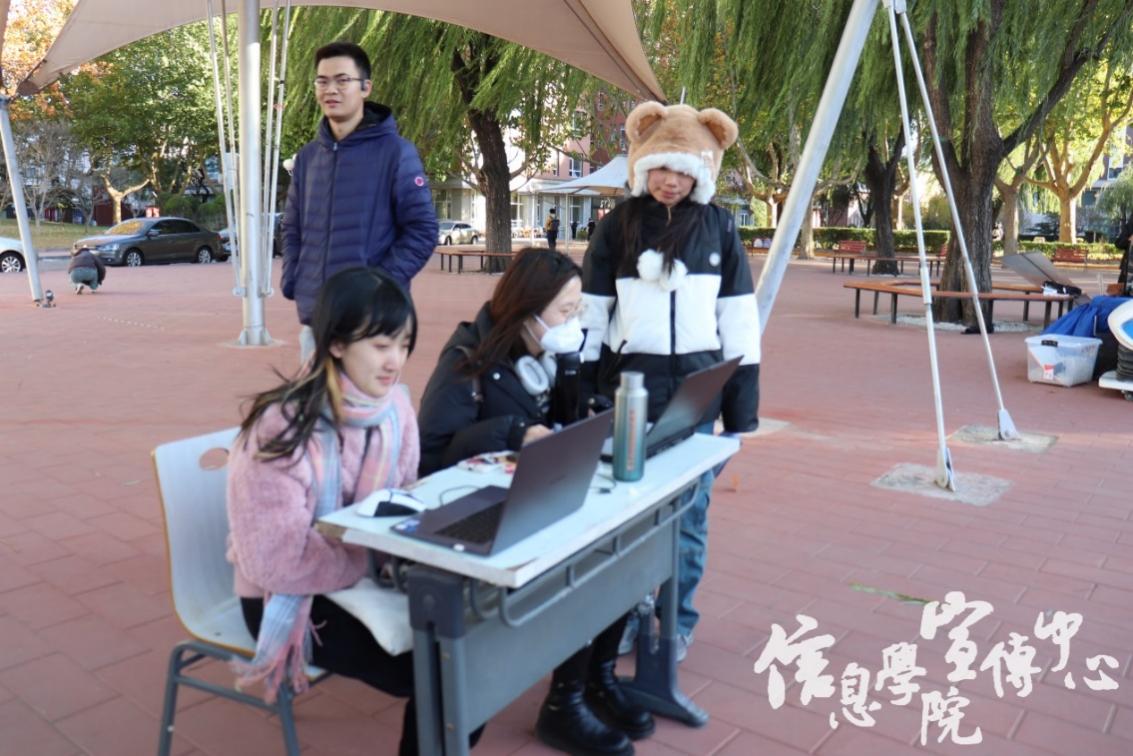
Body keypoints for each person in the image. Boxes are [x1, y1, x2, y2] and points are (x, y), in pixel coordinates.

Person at [226, 267, 480, 755]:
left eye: (404, 345)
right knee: (448, 672)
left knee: (475, 647)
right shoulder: (282, 429)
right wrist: (373, 555)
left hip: (364, 573)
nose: (395, 362)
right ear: (337, 343)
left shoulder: (394, 409)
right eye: (381, 345)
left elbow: (400, 500)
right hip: (287, 593)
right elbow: (276, 560)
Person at [416, 249, 653, 756]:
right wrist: (511, 432)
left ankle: (596, 679)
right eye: (565, 310)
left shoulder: (550, 354)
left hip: (535, 495)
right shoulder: (467, 360)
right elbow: (432, 453)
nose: (573, 321)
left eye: (576, 309)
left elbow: (561, 425)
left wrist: (589, 409)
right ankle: (564, 704)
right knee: (589, 560)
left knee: (622, 543)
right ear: (528, 309)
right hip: (480, 513)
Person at [579, 101, 761, 663]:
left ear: (702, 172)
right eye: (661, 167)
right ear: (641, 164)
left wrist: (742, 409)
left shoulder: (719, 226)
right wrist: (581, 387)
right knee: (627, 511)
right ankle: (625, 614)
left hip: (697, 396)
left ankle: (675, 619)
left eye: (684, 170)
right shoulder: (616, 227)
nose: (671, 181)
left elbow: (738, 318)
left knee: (690, 513)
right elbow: (592, 312)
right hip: (629, 391)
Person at [281, 41, 438, 358]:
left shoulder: (397, 153)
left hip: (371, 322)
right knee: (316, 393)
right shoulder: (309, 158)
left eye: (342, 80)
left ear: (366, 87)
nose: (331, 90)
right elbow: (292, 227)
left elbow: (422, 230)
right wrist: (292, 277)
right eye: (322, 81)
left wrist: (377, 287)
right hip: (317, 319)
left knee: (366, 394)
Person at [1114, 216, 1133, 291]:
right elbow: (1119, 243)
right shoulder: (1130, 225)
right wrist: (1129, 239)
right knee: (1124, 294)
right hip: (1128, 271)